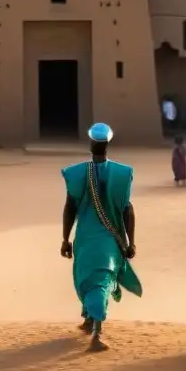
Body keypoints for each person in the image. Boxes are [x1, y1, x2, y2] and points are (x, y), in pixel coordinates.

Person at [60, 122, 142, 352]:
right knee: (102, 282)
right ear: (107, 144)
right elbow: (127, 209)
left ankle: (93, 325)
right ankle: (94, 330)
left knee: (87, 279)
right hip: (109, 243)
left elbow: (69, 208)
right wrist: (130, 241)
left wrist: (65, 239)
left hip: (85, 240)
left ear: (90, 144)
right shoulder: (121, 174)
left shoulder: (77, 173)